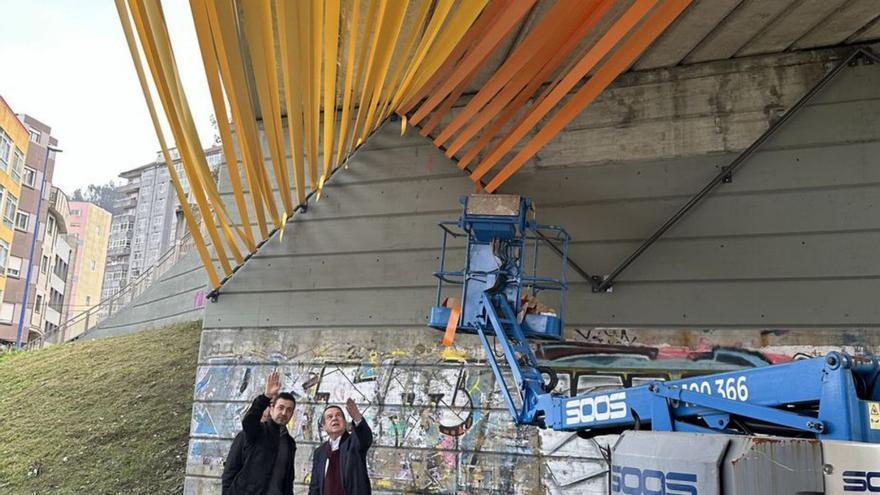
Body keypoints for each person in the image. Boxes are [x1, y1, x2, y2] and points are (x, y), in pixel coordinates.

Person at [222, 371, 297, 495]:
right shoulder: (257, 431)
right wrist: (266, 396)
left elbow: (288, 480)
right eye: (280, 408)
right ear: (271, 409)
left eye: (289, 410)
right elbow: (230, 470)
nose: (284, 413)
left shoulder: (289, 443)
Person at [308, 398, 373, 495]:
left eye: (338, 415)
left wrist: (357, 417)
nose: (334, 418)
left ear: (345, 423)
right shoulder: (320, 452)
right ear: (324, 426)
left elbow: (365, 438)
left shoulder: (354, 443)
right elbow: (315, 487)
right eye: (329, 417)